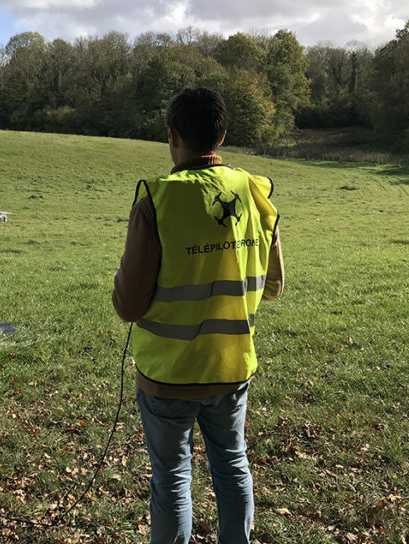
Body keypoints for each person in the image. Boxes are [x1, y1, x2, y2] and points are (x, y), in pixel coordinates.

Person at [112, 88, 284, 544]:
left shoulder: (156, 201)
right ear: (222, 135)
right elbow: (273, 285)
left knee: (171, 479)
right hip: (231, 368)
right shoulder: (254, 192)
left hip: (167, 374)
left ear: (173, 136)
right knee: (232, 465)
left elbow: (127, 305)